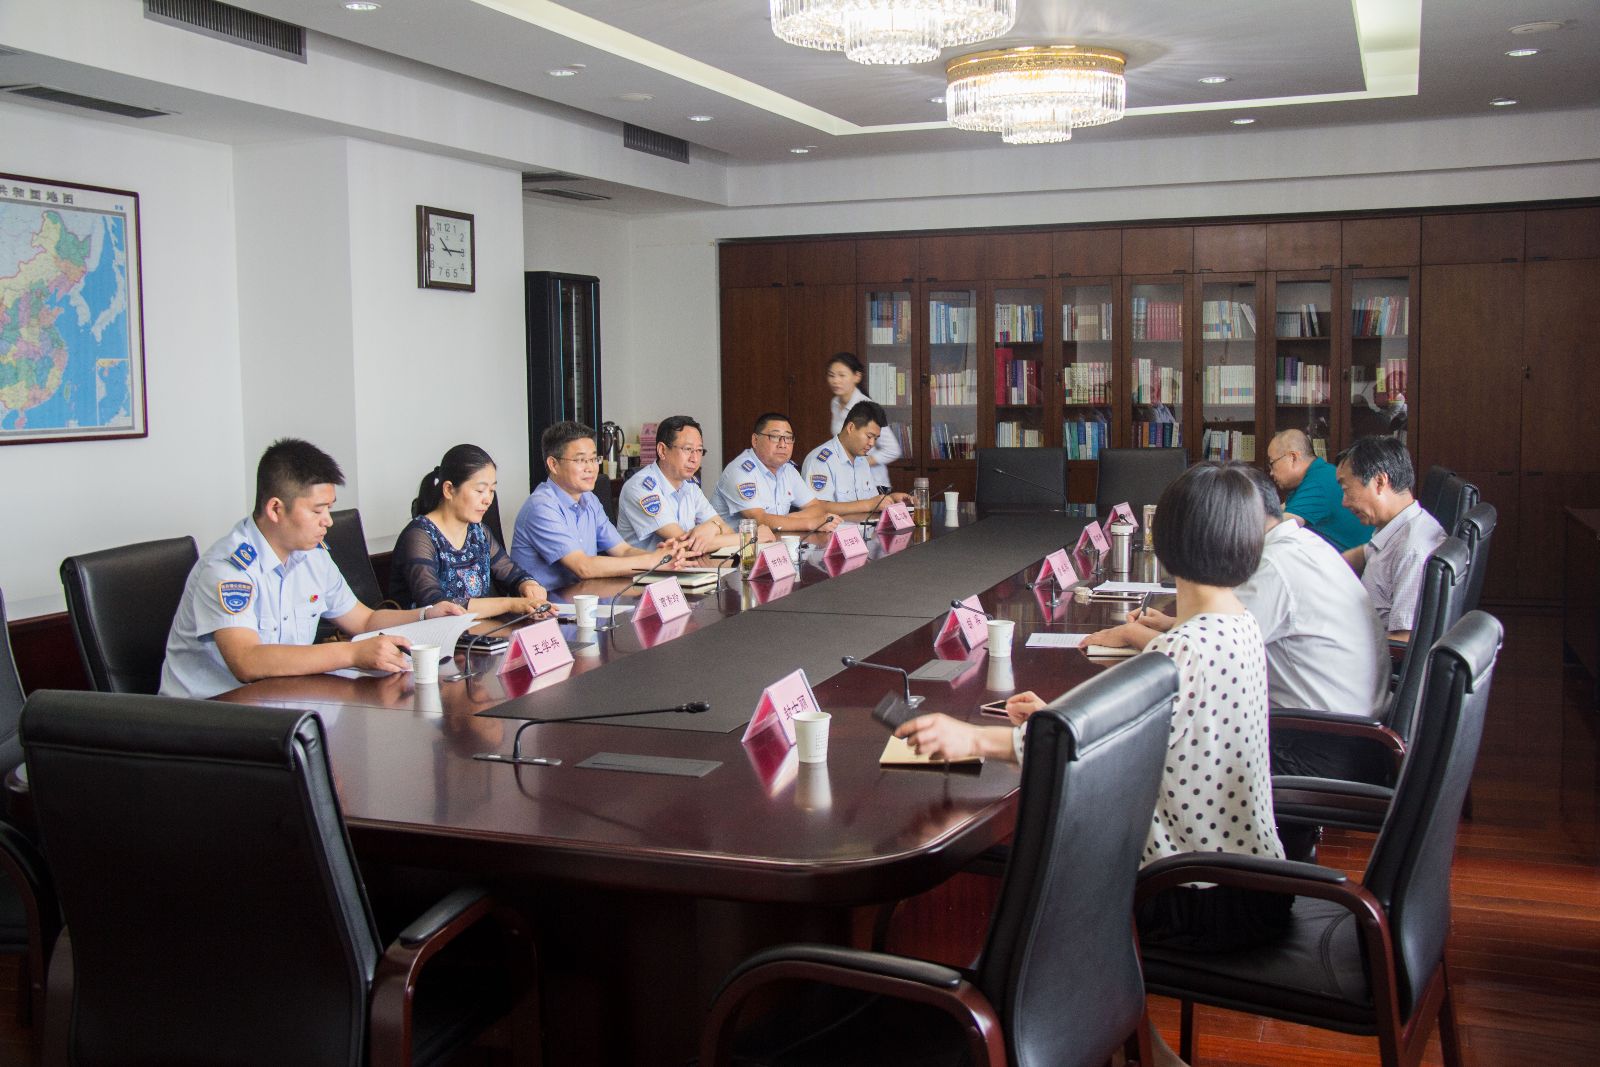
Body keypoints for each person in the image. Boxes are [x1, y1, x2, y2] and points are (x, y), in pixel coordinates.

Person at [896, 462, 1287, 956]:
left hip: (1192, 895)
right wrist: (1056, 717)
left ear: (1165, 542)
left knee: (1039, 862)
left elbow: (1081, 747)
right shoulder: (1238, 624)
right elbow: (1140, 732)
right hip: (1252, 884)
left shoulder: (1182, 649)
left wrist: (972, 738)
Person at [1091, 463, 1390, 781]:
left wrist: (1132, 633)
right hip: (1355, 732)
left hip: (1318, 746)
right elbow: (1219, 636)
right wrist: (1172, 624)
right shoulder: (1304, 544)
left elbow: (1206, 657)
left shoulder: (1274, 566)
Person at [160, 438, 466, 700]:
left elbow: (364, 620)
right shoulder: (229, 569)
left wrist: (426, 615)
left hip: (280, 704)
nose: (328, 521)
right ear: (276, 509)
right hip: (207, 717)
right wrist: (352, 653)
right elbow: (247, 661)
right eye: (318, 510)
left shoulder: (313, 557)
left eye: (329, 509)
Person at [389, 444, 551, 617]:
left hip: (479, 629)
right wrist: (509, 604)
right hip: (432, 633)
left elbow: (511, 573)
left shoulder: (479, 532)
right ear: (449, 490)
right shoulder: (419, 536)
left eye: (492, 490)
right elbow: (435, 604)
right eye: (480, 490)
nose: (488, 500)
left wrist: (528, 584)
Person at [511, 421, 678, 589]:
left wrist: (667, 557)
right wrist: (652, 561)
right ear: (553, 465)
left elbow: (623, 551)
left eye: (593, 459)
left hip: (584, 596)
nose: (591, 468)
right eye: (581, 460)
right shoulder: (541, 507)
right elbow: (583, 567)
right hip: (547, 602)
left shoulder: (590, 499)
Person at [1336, 435, 1446, 640]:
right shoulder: (1397, 526)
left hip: (1364, 651)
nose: (1344, 502)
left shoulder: (1412, 550)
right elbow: (1364, 553)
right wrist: (1324, 570)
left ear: (1379, 481)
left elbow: (1404, 640)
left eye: (1346, 490)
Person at [617, 415, 761, 554]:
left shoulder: (690, 486)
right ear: (662, 450)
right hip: (647, 570)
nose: (695, 459)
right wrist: (751, 537)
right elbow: (686, 544)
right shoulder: (641, 487)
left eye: (699, 450)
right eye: (687, 449)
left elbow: (726, 530)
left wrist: (714, 527)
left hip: (684, 566)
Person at [713, 413, 842, 535]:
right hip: (735, 548)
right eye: (775, 437)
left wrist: (785, 520)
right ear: (755, 440)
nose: (783, 444)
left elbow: (816, 508)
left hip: (772, 543)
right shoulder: (740, 471)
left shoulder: (788, 470)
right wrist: (811, 523)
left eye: (788, 438)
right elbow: (759, 520)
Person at [799, 399, 915, 514]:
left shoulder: (861, 460)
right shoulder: (821, 461)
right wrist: (868, 505)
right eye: (869, 436)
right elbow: (817, 508)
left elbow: (871, 501)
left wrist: (891, 499)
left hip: (864, 525)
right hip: (839, 527)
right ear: (851, 428)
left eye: (875, 438)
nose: (872, 443)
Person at [1266, 428, 1371, 552]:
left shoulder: (1319, 481)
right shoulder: (1315, 475)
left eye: (1272, 463)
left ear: (1293, 457)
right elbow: (1277, 511)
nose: (1271, 472)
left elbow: (1281, 525)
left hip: (1353, 562)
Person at [827, 352, 901, 489]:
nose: (835, 381)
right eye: (831, 375)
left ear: (857, 376)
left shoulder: (868, 408)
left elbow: (892, 449)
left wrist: (861, 463)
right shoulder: (835, 403)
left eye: (842, 375)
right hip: (849, 481)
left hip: (874, 483)